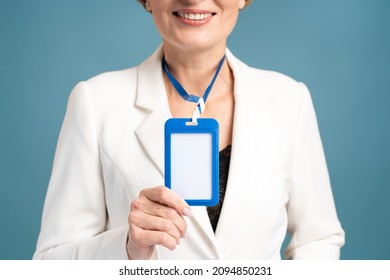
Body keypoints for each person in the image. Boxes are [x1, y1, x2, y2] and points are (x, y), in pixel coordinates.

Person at [33, 0, 345, 260]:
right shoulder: (96, 102)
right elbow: (50, 261)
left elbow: (318, 239)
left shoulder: (289, 100)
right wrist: (127, 247)